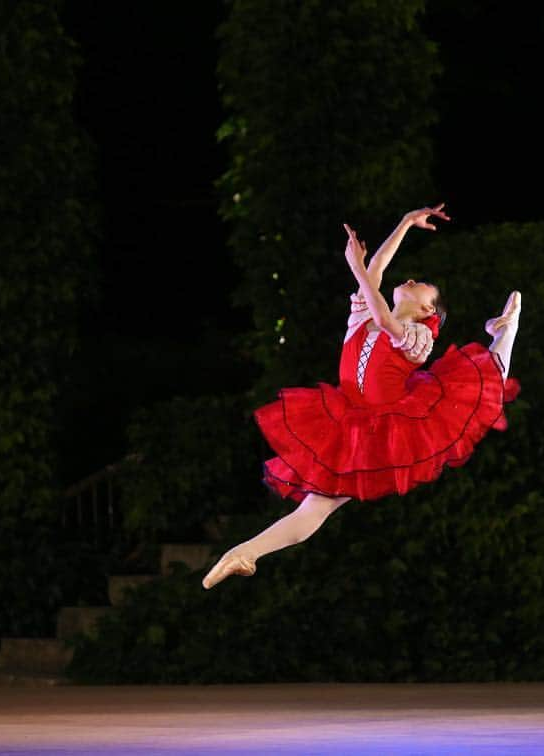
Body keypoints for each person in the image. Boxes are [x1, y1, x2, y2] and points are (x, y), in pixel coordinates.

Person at [203, 203, 521, 589]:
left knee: (480, 384)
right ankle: (244, 553)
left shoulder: (418, 338)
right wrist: (405, 223)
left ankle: (505, 332)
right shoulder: (362, 317)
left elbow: (385, 315)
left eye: (421, 283)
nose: (412, 278)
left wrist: (357, 266)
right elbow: (376, 276)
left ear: (426, 308)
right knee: (315, 507)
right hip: (348, 420)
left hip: (386, 424)